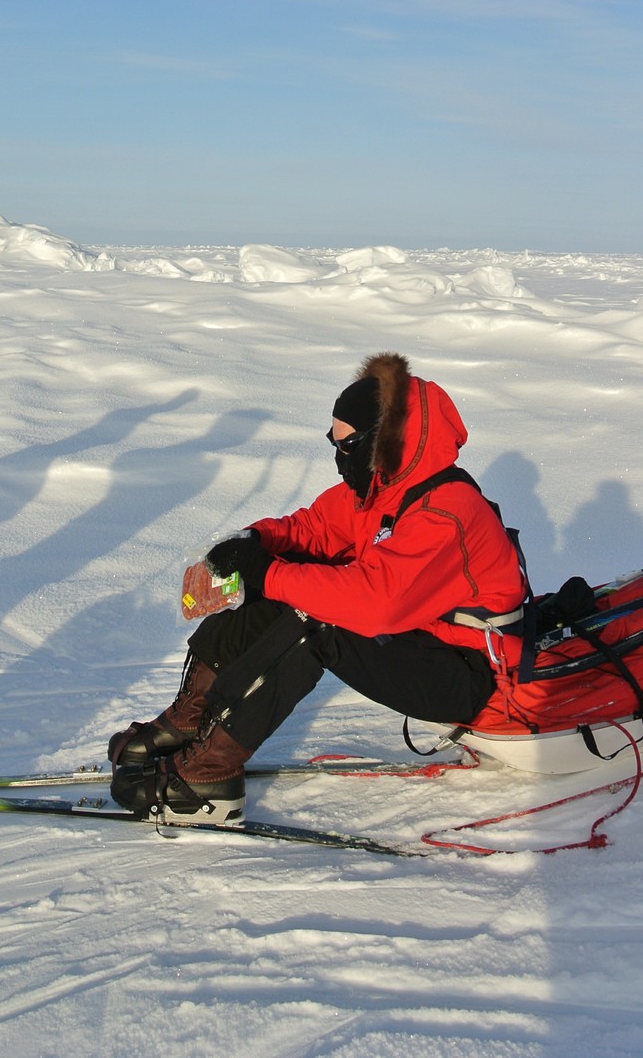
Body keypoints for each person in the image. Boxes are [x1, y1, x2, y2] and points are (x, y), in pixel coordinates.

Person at [109, 352, 527, 822]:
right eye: (335, 442)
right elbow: (314, 531)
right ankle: (192, 719)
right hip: (424, 645)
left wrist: (268, 571)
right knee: (279, 575)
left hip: (475, 680)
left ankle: (209, 774)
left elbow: (376, 604)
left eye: (348, 445)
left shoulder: (447, 511)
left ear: (384, 441)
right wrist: (255, 544)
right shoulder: (385, 489)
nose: (339, 457)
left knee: (320, 618)